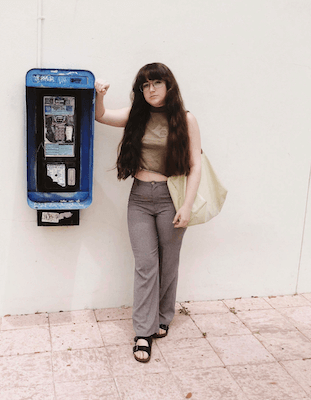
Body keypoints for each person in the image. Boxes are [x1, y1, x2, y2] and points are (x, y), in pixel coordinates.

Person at [95, 63, 201, 363]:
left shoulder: (186, 119)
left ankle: (163, 317)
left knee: (169, 263)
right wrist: (100, 94)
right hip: (140, 198)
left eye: (156, 83)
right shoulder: (135, 115)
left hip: (172, 198)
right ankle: (143, 332)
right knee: (145, 264)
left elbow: (196, 165)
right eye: (144, 85)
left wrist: (187, 205)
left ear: (169, 85)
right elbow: (99, 115)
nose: (150, 89)